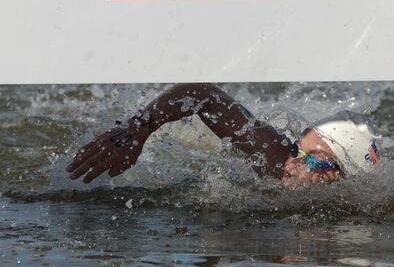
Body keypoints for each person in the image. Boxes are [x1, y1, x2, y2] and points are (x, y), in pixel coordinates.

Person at [66, 83, 381, 187]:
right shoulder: (274, 157)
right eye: (297, 150)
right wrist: (137, 130)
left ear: (340, 174)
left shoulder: (359, 203)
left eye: (314, 161)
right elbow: (204, 94)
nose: (292, 165)